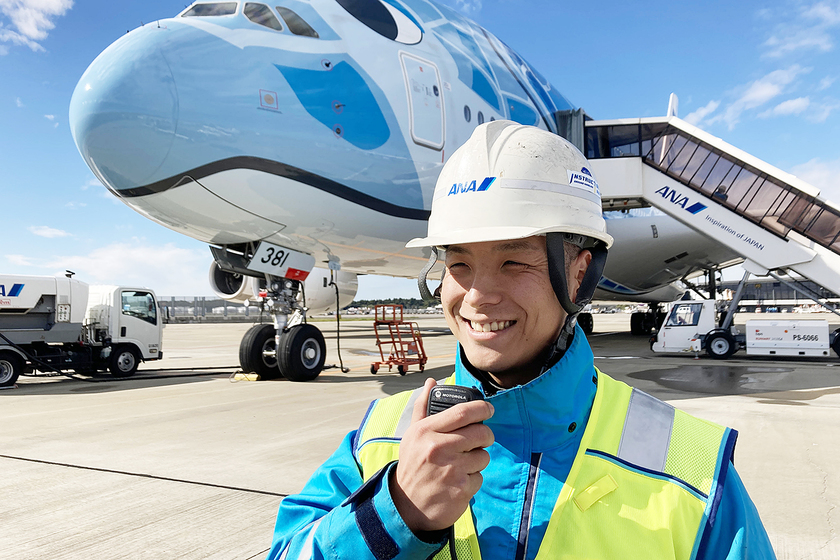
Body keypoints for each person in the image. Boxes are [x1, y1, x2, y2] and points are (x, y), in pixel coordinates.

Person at [266, 122, 775, 560]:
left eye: (514, 261)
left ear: (579, 275)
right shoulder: (378, 441)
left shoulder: (695, 471)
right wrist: (393, 511)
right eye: (458, 263)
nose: (477, 298)